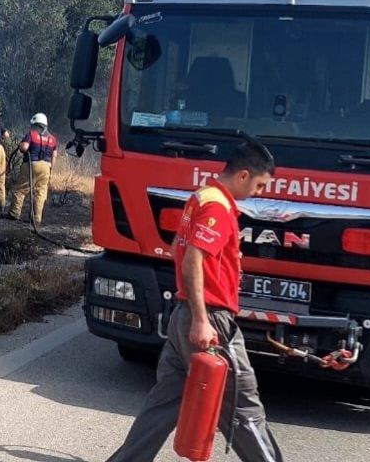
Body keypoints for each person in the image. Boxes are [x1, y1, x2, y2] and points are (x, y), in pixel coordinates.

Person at [106, 141, 284, 462]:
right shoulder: (219, 207)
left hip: (182, 315)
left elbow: (177, 247)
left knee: (163, 402)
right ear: (243, 175)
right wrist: (202, 319)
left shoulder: (201, 197)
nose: (259, 192)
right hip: (210, 318)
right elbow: (191, 258)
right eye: (259, 185)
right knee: (242, 405)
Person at [7, 112, 57, 227]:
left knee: (20, 189)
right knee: (40, 193)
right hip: (46, 167)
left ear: (36, 124)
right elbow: (54, 155)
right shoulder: (53, 139)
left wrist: (21, 146)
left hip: (31, 164)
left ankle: (14, 213)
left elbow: (24, 148)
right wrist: (50, 169)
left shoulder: (31, 134)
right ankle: (36, 218)